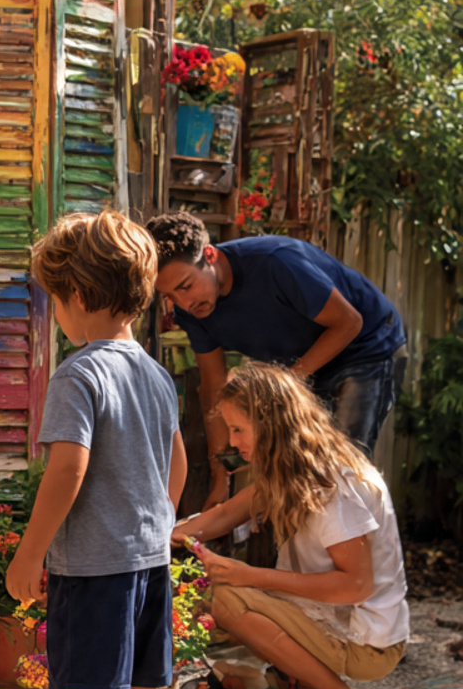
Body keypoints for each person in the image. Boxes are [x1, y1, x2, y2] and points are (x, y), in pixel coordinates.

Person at [0, 210, 185, 689]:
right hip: (147, 562)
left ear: (75, 296)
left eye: (54, 301)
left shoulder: (79, 374)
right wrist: (154, 525)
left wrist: (28, 553)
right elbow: (176, 464)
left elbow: (67, 469)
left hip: (94, 571)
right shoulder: (155, 375)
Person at [172, 362, 409, 689]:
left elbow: (357, 586)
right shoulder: (293, 466)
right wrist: (167, 536)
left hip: (368, 644)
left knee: (229, 599)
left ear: (270, 424)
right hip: (332, 621)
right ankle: (298, 688)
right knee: (211, 602)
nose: (233, 442)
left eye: (238, 429)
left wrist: (249, 576)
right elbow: (228, 514)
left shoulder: (331, 484)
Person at [146, 212, 405, 508]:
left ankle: (358, 550)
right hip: (305, 364)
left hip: (367, 345)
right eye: (169, 295)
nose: (184, 304)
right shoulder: (191, 313)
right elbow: (213, 388)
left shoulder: (276, 262)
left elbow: (349, 322)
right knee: (296, 468)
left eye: (185, 286)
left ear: (210, 255)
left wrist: (283, 385)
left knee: (341, 468)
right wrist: (221, 477)